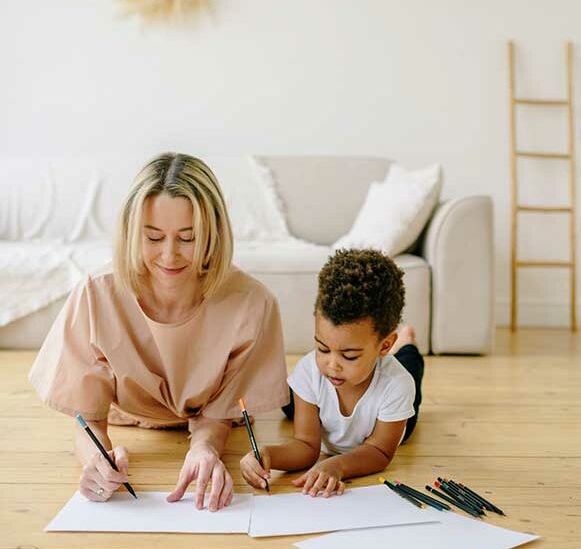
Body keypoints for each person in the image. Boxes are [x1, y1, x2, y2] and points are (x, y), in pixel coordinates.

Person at [29, 153, 288, 511]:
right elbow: (87, 419)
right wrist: (96, 459)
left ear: (213, 234)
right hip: (129, 418)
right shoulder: (96, 293)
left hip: (219, 423)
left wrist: (204, 448)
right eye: (153, 237)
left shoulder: (252, 303)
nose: (169, 256)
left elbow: (221, 412)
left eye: (188, 238)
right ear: (131, 233)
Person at [240, 248, 424, 498]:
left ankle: (407, 343)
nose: (332, 365)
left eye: (349, 356)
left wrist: (337, 465)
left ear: (383, 345)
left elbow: (380, 452)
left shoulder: (397, 385)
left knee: (410, 367)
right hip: (324, 407)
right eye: (322, 348)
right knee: (291, 400)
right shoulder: (311, 370)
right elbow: (306, 445)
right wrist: (267, 455)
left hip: (389, 426)